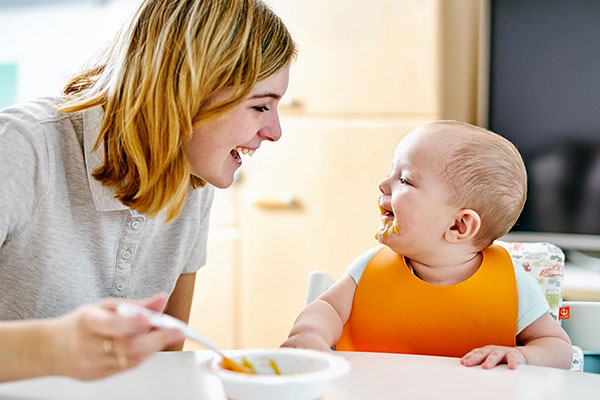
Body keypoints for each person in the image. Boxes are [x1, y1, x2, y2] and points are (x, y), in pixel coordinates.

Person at [0, 0, 295, 382]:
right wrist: (53, 348)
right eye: (260, 107)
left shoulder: (193, 177)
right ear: (186, 90)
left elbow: (165, 362)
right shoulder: (21, 148)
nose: (275, 131)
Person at [281, 121, 573, 370]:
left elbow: (557, 348)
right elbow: (327, 309)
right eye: (391, 173)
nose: (383, 184)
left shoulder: (512, 285)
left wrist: (522, 356)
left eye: (405, 180)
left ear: (459, 226)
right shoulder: (370, 270)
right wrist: (310, 335)